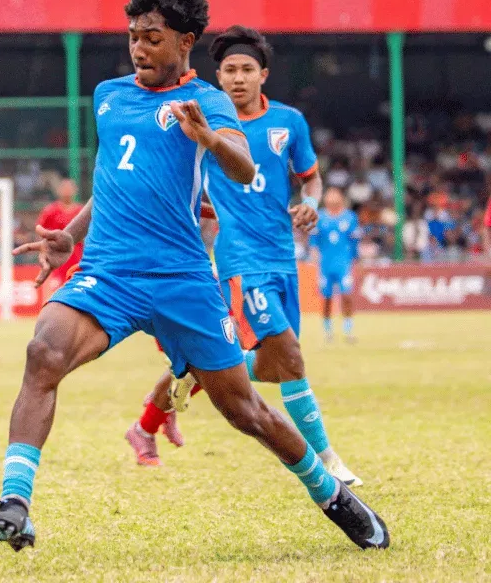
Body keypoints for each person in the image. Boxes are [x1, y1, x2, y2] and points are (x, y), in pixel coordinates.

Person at [0, 0, 387, 553]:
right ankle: (14, 502)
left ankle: (333, 496)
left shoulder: (209, 102)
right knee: (42, 352)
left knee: (243, 410)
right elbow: (111, 184)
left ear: (186, 40)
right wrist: (67, 240)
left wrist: (208, 138)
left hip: (182, 279)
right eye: (132, 37)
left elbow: (245, 170)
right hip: (110, 273)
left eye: (152, 38)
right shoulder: (108, 95)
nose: (139, 49)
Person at [125, 26, 362, 486]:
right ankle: (329, 464)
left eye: (246, 70)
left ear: (263, 75)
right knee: (291, 360)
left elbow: (310, 178)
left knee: (261, 364)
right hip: (238, 259)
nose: (237, 78)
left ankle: (148, 422)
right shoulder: (205, 123)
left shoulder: (289, 122)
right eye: (229, 70)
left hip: (282, 258)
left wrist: (310, 204)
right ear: (219, 75)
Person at [311, 188, 361, 343]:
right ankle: (328, 331)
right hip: (326, 264)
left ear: (341, 198)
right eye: (329, 195)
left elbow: (354, 241)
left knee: (346, 296)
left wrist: (356, 260)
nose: (332, 198)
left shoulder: (350, 217)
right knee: (326, 299)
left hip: (343, 263)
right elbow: (314, 242)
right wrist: (314, 259)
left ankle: (348, 331)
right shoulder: (319, 217)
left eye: (335, 195)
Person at [35, 178, 84, 296]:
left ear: (75, 190)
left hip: (77, 258)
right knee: (55, 292)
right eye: (64, 188)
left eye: (69, 188)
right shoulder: (50, 211)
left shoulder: (82, 211)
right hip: (56, 261)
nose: (67, 191)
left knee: (75, 292)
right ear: (58, 191)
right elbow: (41, 232)